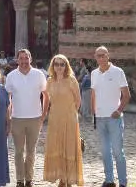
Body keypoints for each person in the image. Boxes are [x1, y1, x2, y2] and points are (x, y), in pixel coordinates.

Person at [5, 49, 48, 187]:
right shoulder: (11, 76)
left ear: (30, 59)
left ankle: (29, 179)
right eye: (21, 58)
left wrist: (44, 114)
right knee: (18, 151)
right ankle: (19, 179)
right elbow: (8, 98)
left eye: (26, 58)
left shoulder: (39, 74)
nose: (24, 61)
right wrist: (8, 117)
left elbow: (46, 95)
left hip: (35, 118)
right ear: (17, 60)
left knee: (31, 151)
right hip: (17, 118)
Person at [91, 46, 129, 187]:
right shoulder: (94, 73)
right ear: (95, 57)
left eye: (103, 55)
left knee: (118, 151)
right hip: (100, 118)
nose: (101, 58)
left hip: (114, 119)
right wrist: (93, 114)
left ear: (108, 56)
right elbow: (93, 94)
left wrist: (119, 110)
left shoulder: (118, 72)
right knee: (105, 151)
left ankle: (123, 182)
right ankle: (109, 180)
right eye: (98, 56)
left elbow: (126, 95)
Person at [42, 54, 84, 187]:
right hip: (55, 119)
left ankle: (69, 179)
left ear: (66, 66)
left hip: (69, 119)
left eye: (62, 64)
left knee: (69, 147)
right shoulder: (49, 81)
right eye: (56, 64)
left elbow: (78, 101)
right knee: (57, 146)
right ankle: (61, 177)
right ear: (52, 66)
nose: (59, 67)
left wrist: (71, 114)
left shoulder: (71, 80)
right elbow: (47, 99)